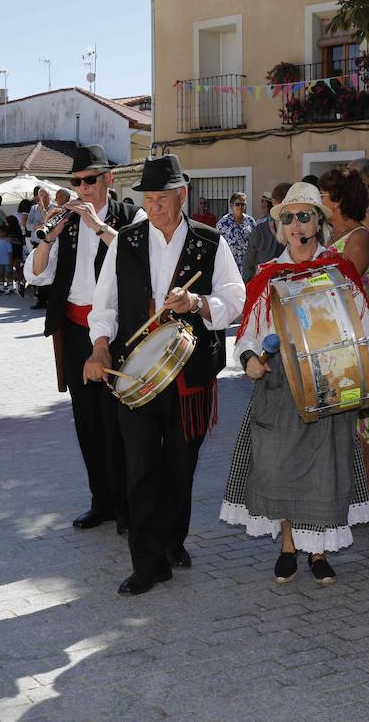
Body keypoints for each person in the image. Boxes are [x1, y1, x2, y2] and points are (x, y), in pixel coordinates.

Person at [84, 154, 245, 595]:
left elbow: (235, 298)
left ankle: (173, 540)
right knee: (140, 468)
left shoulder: (210, 243)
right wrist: (100, 346)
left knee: (180, 466)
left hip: (189, 377)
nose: (152, 208)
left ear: (181, 196)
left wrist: (197, 304)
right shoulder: (126, 241)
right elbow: (105, 305)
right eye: (147, 199)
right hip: (135, 375)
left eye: (161, 199)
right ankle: (148, 561)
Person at [221, 182, 369, 584]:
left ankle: (318, 553)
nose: (295, 225)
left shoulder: (340, 272)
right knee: (279, 469)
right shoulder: (269, 276)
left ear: (319, 224)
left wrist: (362, 378)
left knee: (323, 472)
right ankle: (288, 546)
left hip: (330, 386)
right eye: (287, 218)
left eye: (304, 216)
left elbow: (363, 328)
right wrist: (251, 359)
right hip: (279, 390)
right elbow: (249, 333)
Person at [26, 145, 142, 534]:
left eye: (89, 180)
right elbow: (36, 275)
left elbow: (137, 257)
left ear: (109, 180)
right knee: (87, 423)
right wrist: (48, 237)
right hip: (76, 332)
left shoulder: (130, 216)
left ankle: (127, 506)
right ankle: (101, 502)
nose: (82, 188)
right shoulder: (67, 221)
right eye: (76, 182)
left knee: (119, 422)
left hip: (118, 335)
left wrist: (97, 225)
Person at [320, 166, 369, 503]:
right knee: (342, 410)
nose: (320, 200)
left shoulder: (359, 237)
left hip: (354, 334)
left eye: (324, 194)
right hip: (334, 334)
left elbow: (346, 286)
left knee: (358, 415)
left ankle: (367, 489)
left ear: (338, 201)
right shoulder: (334, 236)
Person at [241, 182, 291, 281]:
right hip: (262, 289)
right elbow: (248, 266)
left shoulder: (298, 233)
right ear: (274, 203)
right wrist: (252, 288)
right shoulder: (259, 232)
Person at [215, 192, 255, 273]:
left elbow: (255, 242)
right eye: (237, 204)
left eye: (243, 204)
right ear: (231, 206)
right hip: (229, 267)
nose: (240, 206)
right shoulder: (223, 222)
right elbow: (216, 243)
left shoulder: (250, 221)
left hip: (247, 266)